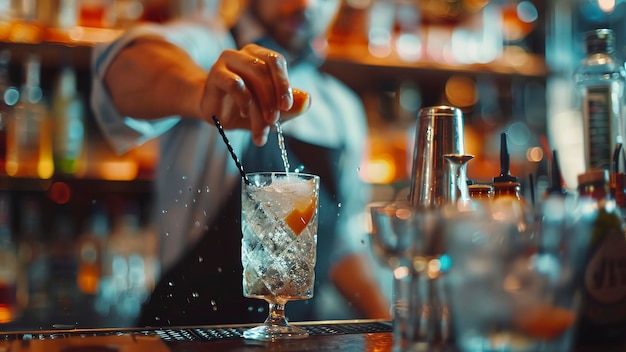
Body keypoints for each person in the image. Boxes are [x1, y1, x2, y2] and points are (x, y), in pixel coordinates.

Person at [90, 0, 391, 326]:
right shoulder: (209, 47)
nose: (305, 4)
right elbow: (120, 68)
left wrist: (390, 326)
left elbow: (341, 246)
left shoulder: (342, 109)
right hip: (189, 336)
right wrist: (199, 91)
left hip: (293, 342)